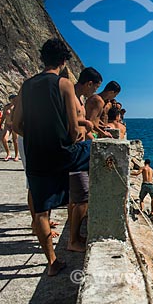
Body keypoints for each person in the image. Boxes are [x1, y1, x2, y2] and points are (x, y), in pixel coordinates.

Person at [12, 38, 91, 276]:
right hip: (62, 154)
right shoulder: (64, 84)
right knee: (93, 152)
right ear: (64, 60)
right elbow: (74, 129)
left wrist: (37, 137)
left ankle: (52, 262)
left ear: (42, 58)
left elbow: (16, 125)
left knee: (41, 211)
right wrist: (76, 135)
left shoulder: (26, 86)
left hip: (36, 155)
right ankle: (77, 217)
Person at [67, 67, 102, 252]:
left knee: (76, 198)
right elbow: (65, 120)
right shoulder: (70, 96)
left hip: (79, 149)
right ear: (89, 83)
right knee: (83, 199)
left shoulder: (79, 98)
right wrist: (85, 123)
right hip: (74, 152)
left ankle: (75, 236)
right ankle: (72, 241)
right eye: (95, 88)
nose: (94, 92)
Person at [0, 94, 20, 161]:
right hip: (7, 125)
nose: (14, 100)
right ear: (10, 100)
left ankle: (16, 155)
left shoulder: (17, 107)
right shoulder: (6, 107)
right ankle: (8, 154)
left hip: (14, 125)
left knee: (15, 140)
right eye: (13, 99)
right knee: (4, 139)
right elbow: (3, 117)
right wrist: (0, 125)